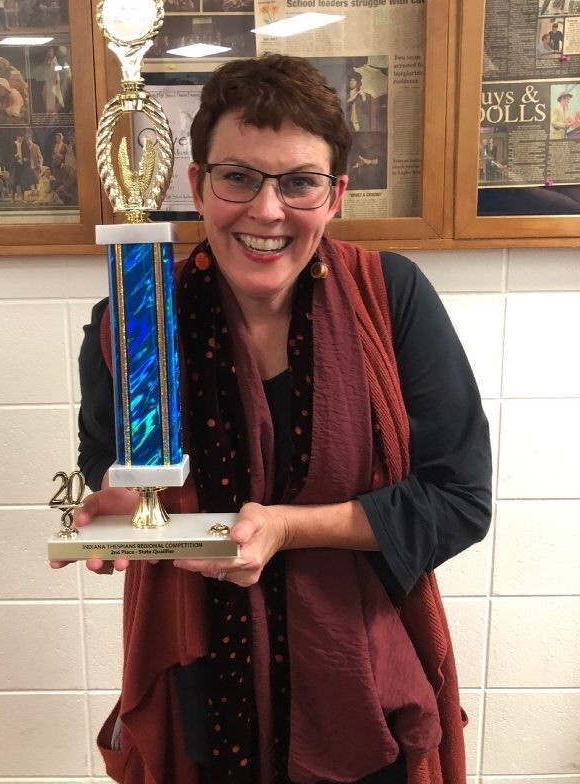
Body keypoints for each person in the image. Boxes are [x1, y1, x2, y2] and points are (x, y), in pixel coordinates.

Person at [54, 54, 492, 784]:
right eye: (239, 177)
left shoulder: (392, 299)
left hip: (360, 683)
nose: (266, 210)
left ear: (336, 195)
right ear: (197, 185)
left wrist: (287, 527)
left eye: (299, 183)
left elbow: (458, 499)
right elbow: (104, 452)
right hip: (200, 686)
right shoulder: (132, 321)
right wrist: (126, 510)